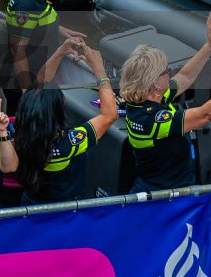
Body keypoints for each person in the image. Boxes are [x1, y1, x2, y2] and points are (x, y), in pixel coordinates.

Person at [15, 43, 118, 203]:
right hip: (63, 214)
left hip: (30, 204)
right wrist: (99, 69)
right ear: (56, 112)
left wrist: (60, 51)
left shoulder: (22, 131)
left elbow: (40, 86)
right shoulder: (68, 144)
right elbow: (110, 114)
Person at [120, 15, 211, 192]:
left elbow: (185, 76)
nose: (170, 73)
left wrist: (208, 46)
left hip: (165, 185)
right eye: (166, 71)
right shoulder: (150, 120)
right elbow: (204, 115)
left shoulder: (151, 96)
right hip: (165, 196)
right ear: (154, 82)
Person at [5, 0, 87, 92]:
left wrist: (61, 30)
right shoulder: (26, 4)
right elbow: (17, 49)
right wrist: (27, 91)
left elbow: (36, 23)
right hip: (34, 81)